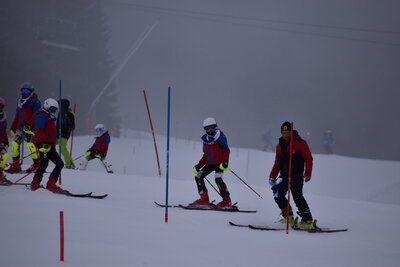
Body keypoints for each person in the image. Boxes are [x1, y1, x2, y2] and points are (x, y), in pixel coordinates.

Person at [269, 121, 314, 229]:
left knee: (297, 196)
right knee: (277, 193)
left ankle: (307, 220)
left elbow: (309, 159)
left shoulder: (300, 143)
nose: (286, 135)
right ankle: (288, 217)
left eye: (288, 132)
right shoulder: (279, 146)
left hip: (296, 175)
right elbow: (277, 163)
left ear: (291, 132)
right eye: (284, 133)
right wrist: (272, 176)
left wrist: (307, 173)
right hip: (284, 174)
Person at [190, 117, 232, 208]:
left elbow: (226, 150)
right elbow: (205, 155)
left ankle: (227, 201)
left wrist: (225, 162)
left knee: (218, 179)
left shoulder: (220, 136)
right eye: (207, 128)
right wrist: (198, 165)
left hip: (219, 164)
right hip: (209, 163)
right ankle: (204, 199)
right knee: (198, 176)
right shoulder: (206, 140)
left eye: (211, 127)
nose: (209, 130)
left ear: (215, 127)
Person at [30, 98, 67, 193]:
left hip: (50, 145)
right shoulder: (42, 115)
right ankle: (35, 183)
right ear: (46, 106)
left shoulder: (49, 117)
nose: (53, 111)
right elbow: (39, 131)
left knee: (59, 163)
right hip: (44, 145)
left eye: (55, 109)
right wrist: (43, 144)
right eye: (51, 108)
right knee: (44, 163)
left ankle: (51, 184)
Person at [7, 82, 41, 173]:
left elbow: (35, 115)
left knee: (31, 145)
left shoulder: (35, 101)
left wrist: (29, 126)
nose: (24, 92)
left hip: (30, 128)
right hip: (20, 128)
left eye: (26, 90)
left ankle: (37, 164)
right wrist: (13, 127)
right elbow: (17, 115)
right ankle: (15, 164)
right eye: (22, 90)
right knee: (15, 144)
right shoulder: (20, 102)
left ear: (31, 92)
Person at [56, 98, 76, 169]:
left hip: (64, 134)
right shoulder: (60, 113)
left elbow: (72, 126)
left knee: (62, 149)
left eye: (60, 104)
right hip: (57, 134)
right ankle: (43, 162)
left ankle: (69, 164)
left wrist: (66, 122)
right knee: (49, 147)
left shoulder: (69, 114)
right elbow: (57, 124)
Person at [0, 97, 11, 184]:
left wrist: (6, 141)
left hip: (1, 141)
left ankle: (0, 172)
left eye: (1, 106)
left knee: (4, 155)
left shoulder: (3, 117)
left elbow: (4, 131)